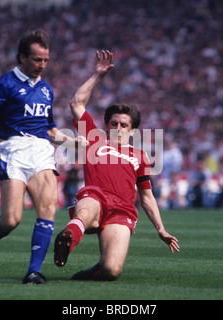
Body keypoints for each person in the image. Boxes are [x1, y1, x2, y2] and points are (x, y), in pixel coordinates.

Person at [0, 29, 87, 285]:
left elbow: (49, 130)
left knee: (47, 210)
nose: (41, 65)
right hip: (14, 151)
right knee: (11, 220)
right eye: (36, 60)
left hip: (42, 151)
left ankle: (34, 271)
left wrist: (71, 140)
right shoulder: (5, 84)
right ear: (22, 57)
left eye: (45, 60)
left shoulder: (46, 89)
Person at [53, 50, 179, 281]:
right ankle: (66, 242)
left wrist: (161, 229)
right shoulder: (93, 137)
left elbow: (147, 196)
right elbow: (77, 103)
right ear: (107, 125)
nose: (118, 128)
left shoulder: (140, 156)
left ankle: (97, 269)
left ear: (132, 130)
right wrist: (98, 75)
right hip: (96, 198)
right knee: (88, 205)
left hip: (122, 211)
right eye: (113, 123)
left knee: (112, 271)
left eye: (123, 125)